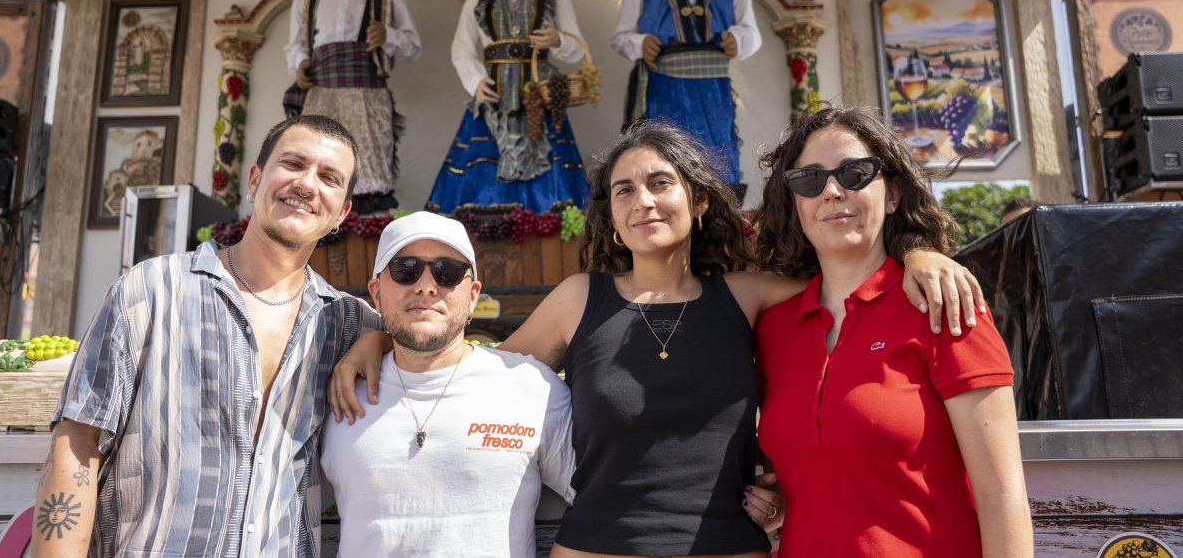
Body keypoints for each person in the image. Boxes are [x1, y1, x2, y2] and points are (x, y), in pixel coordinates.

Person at [331, 120, 984, 557]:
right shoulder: (577, 300)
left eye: (660, 182)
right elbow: (471, 369)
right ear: (611, 217)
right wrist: (379, 342)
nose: (642, 199)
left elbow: (849, 269)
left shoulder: (748, 294)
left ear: (699, 201)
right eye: (624, 190)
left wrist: (918, 252)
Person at [33, 115, 379, 558]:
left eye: (329, 177)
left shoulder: (351, 324)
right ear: (254, 179)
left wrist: (382, 340)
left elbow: (447, 350)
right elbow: (78, 443)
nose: (308, 184)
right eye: (293, 164)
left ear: (343, 214)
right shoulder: (150, 291)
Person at [752, 106, 1032, 557]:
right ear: (794, 204)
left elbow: (1003, 497)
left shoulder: (944, 305)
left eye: (855, 173)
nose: (831, 190)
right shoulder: (774, 330)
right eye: (809, 179)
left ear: (894, 193)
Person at [321, 211, 574, 556]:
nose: (426, 285)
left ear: (472, 296)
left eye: (448, 273)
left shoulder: (531, 388)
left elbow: (604, 500)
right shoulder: (334, 393)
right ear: (377, 294)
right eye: (405, 270)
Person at [427, 0, 590, 214]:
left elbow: (577, 50)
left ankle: (550, 239)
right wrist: (476, 82)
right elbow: (462, 48)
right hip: (494, 98)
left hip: (539, 95)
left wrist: (557, 40)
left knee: (549, 168)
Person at [611, 0, 761, 186]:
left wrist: (737, 39)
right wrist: (640, 43)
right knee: (664, 148)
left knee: (717, 147)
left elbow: (753, 34)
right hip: (663, 85)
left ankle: (719, 211)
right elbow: (620, 37)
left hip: (714, 86)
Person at [284, 0, 422, 214]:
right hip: (320, 92)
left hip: (368, 93)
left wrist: (388, 35)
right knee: (316, 160)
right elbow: (294, 46)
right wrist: (300, 64)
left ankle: (367, 235)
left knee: (369, 163)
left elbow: (413, 48)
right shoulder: (305, 3)